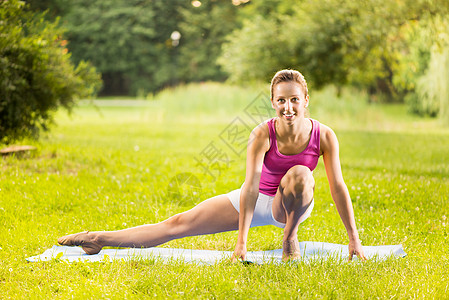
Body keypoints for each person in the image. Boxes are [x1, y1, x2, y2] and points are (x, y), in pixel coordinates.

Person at [58, 69, 367, 262]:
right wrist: (241, 243)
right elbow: (250, 185)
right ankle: (98, 239)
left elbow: (338, 187)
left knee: (300, 174)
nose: (289, 107)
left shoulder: (324, 135)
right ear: (273, 102)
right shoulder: (262, 133)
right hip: (257, 198)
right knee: (178, 223)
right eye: (282, 100)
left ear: (306, 100)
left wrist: (353, 239)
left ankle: (289, 237)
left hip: (290, 205)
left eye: (295, 100)